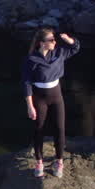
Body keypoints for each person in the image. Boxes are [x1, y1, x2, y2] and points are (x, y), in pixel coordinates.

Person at [22, 27, 80, 178]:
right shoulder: (31, 59)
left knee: (60, 129)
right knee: (39, 129)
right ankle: (39, 162)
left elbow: (75, 47)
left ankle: (59, 161)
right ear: (42, 43)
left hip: (56, 96)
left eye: (55, 39)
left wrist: (68, 39)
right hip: (39, 98)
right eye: (51, 40)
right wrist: (30, 105)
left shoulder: (59, 53)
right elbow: (27, 83)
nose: (55, 42)